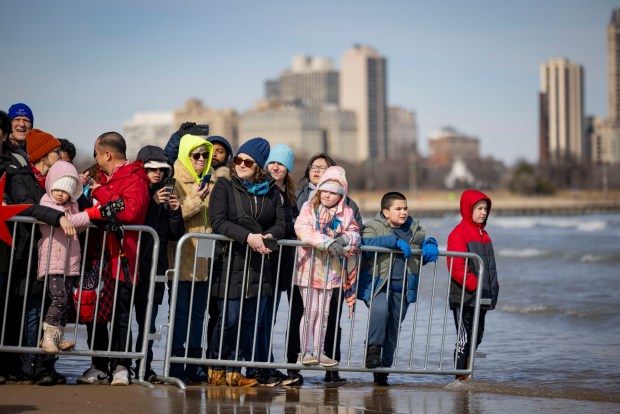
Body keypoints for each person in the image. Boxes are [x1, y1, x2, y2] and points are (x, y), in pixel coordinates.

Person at [207, 137, 285, 387]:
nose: (240, 164)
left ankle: (236, 370)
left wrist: (268, 236)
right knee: (229, 319)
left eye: (247, 162)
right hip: (231, 261)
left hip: (259, 264)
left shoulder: (271, 191)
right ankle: (217, 366)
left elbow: (281, 224)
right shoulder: (224, 185)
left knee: (250, 321)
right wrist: (248, 236)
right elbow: (217, 220)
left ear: (258, 167)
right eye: (238, 159)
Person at [0, 128, 75, 385]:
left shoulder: (48, 180)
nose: (60, 155)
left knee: (47, 308)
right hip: (26, 252)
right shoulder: (23, 178)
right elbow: (27, 207)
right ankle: (30, 363)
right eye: (56, 152)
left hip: (47, 253)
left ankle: (44, 366)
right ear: (44, 154)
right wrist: (58, 217)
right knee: (31, 309)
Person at [77, 132, 149, 386]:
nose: (95, 159)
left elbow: (130, 211)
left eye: (97, 154)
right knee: (93, 312)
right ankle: (98, 366)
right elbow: (87, 209)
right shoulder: (98, 177)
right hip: (97, 256)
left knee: (120, 314)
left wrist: (102, 195)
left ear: (107, 153)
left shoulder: (135, 177)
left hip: (123, 258)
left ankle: (121, 365)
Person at [295, 153, 363, 382]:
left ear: (341, 194)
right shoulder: (308, 206)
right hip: (309, 267)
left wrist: (346, 240)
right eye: (324, 190)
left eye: (333, 192)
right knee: (310, 311)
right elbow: (302, 229)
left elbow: (355, 232)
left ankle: (320, 350)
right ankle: (306, 350)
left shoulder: (347, 212)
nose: (327, 195)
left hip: (331, 271)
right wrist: (327, 242)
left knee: (324, 314)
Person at [359, 191, 439, 385]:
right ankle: (372, 351)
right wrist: (391, 242)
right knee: (380, 310)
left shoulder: (414, 230)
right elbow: (364, 245)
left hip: (402, 287)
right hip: (378, 285)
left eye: (405, 208)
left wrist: (431, 244)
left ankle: (382, 371)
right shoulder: (373, 226)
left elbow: (423, 245)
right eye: (398, 209)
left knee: (393, 328)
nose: (403, 212)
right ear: (385, 212)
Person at [37, 161, 107, 353]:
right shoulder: (46, 202)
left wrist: (89, 215)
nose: (60, 193)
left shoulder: (74, 205)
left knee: (66, 300)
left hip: (70, 262)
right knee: (58, 298)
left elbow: (79, 225)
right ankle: (48, 338)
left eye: (65, 190)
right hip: (54, 261)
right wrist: (90, 214)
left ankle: (57, 337)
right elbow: (68, 221)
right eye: (57, 188)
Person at [246, 143, 301, 386]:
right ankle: (258, 368)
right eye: (273, 162)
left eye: (282, 163)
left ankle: (267, 364)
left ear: (288, 168)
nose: (276, 166)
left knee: (269, 319)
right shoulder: (262, 189)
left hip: (281, 265)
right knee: (259, 317)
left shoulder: (288, 196)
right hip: (262, 261)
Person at [134, 145, 185, 382]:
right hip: (131, 265)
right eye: (151, 169)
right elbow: (133, 218)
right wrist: (152, 202)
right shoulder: (136, 190)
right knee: (124, 320)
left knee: (149, 323)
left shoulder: (166, 194)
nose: (157, 174)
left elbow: (175, 234)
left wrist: (175, 211)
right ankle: (120, 364)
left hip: (155, 267)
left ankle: (144, 366)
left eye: (161, 170)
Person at [166, 134, 213, 383]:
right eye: (196, 155)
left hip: (205, 259)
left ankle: (194, 363)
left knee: (198, 314)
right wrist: (197, 198)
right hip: (181, 259)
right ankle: (175, 363)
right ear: (186, 155)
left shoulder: (213, 177)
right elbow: (173, 214)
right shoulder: (173, 178)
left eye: (205, 155)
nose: (202, 159)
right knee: (180, 313)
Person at [446, 189, 499, 381]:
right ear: (468, 209)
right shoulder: (458, 233)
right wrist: (475, 285)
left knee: (477, 336)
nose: (483, 212)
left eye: (486, 208)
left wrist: (492, 290)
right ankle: (459, 377)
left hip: (481, 296)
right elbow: (456, 267)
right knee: (465, 338)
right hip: (464, 296)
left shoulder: (485, 235)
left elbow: (490, 267)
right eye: (479, 208)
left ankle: (466, 373)